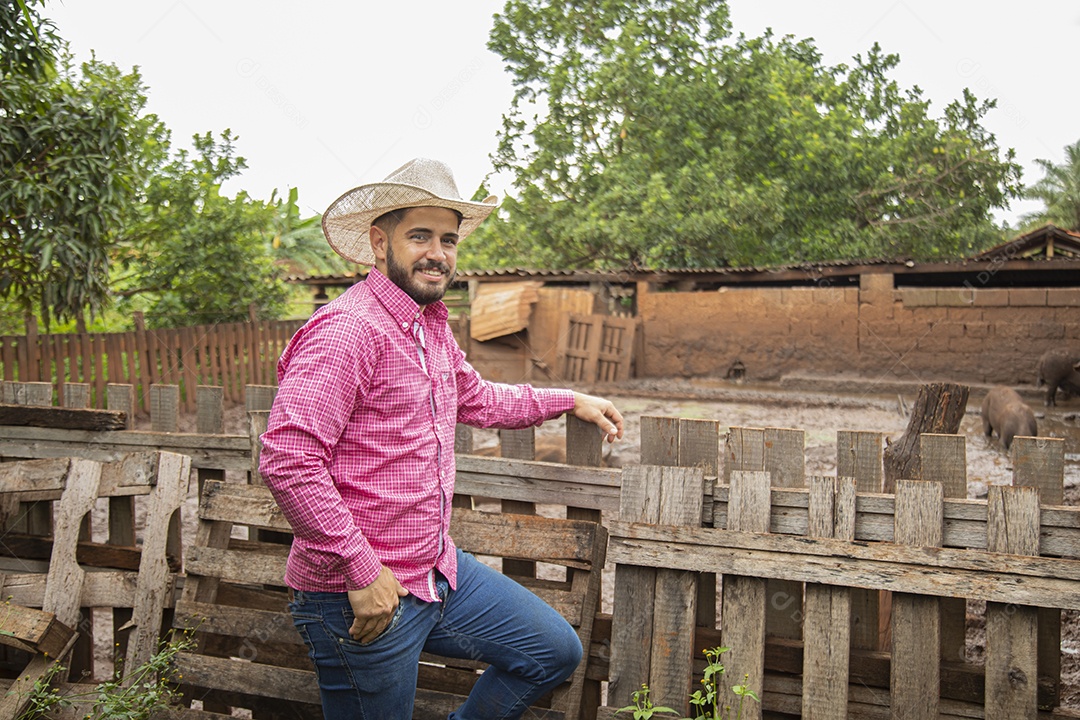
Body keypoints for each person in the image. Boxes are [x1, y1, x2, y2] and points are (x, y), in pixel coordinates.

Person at [259, 157, 624, 719]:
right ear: (380, 242)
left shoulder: (427, 327)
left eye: (448, 239)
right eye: (420, 235)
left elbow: (475, 397)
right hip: (361, 595)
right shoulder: (347, 331)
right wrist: (363, 571)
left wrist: (567, 401)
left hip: (434, 572)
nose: (438, 253)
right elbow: (289, 460)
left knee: (551, 651)